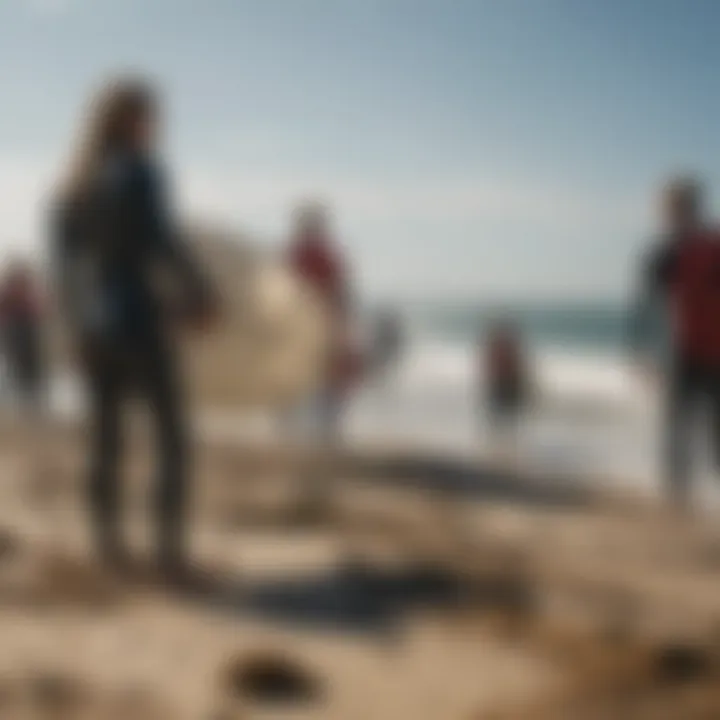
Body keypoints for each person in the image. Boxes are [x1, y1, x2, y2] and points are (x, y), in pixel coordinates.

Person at [51, 78, 216, 581]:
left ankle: (108, 548)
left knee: (106, 441)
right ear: (126, 120)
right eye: (150, 116)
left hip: (95, 328)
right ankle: (168, 555)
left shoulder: (74, 184)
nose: (156, 126)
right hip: (138, 320)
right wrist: (201, 291)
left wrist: (76, 330)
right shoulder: (141, 173)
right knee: (172, 439)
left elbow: (65, 270)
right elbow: (159, 242)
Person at [629, 176, 720, 509]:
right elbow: (647, 307)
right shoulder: (663, 255)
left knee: (714, 436)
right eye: (667, 209)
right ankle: (677, 504)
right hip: (683, 353)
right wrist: (641, 352)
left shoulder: (715, 246)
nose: (668, 216)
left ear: (691, 208)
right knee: (676, 433)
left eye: (675, 208)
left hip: (716, 354)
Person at [287, 201, 354, 442]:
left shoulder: (296, 254)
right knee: (325, 382)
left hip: (303, 326)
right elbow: (340, 294)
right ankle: (323, 433)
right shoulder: (321, 255)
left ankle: (301, 433)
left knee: (301, 381)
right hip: (318, 324)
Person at [0, 261, 45, 411]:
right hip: (17, 329)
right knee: (20, 362)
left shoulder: (23, 290)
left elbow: (36, 309)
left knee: (29, 362)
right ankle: (25, 392)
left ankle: (31, 392)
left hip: (26, 329)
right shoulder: (11, 290)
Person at [483, 320, 529, 452]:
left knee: (508, 424)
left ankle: (505, 449)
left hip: (506, 389)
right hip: (502, 389)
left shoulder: (505, 350)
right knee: (501, 424)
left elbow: (518, 373)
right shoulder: (503, 349)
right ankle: (501, 450)